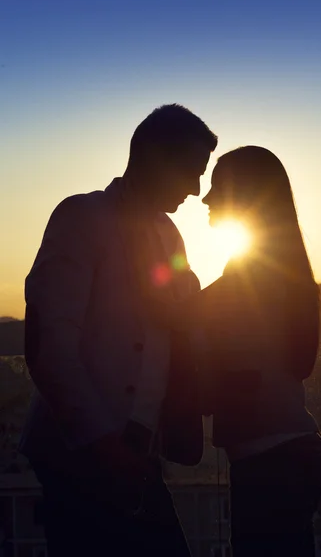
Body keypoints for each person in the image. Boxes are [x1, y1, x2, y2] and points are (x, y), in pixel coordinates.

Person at [19, 104, 218, 557]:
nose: (195, 187)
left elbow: (178, 311)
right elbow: (50, 348)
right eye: (191, 169)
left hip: (137, 459)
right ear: (150, 155)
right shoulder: (80, 217)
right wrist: (103, 445)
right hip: (77, 457)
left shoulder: (170, 236)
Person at [149, 146, 321, 557]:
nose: (207, 198)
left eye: (217, 188)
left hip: (271, 467)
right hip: (291, 456)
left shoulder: (245, 285)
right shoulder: (273, 277)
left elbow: (231, 381)